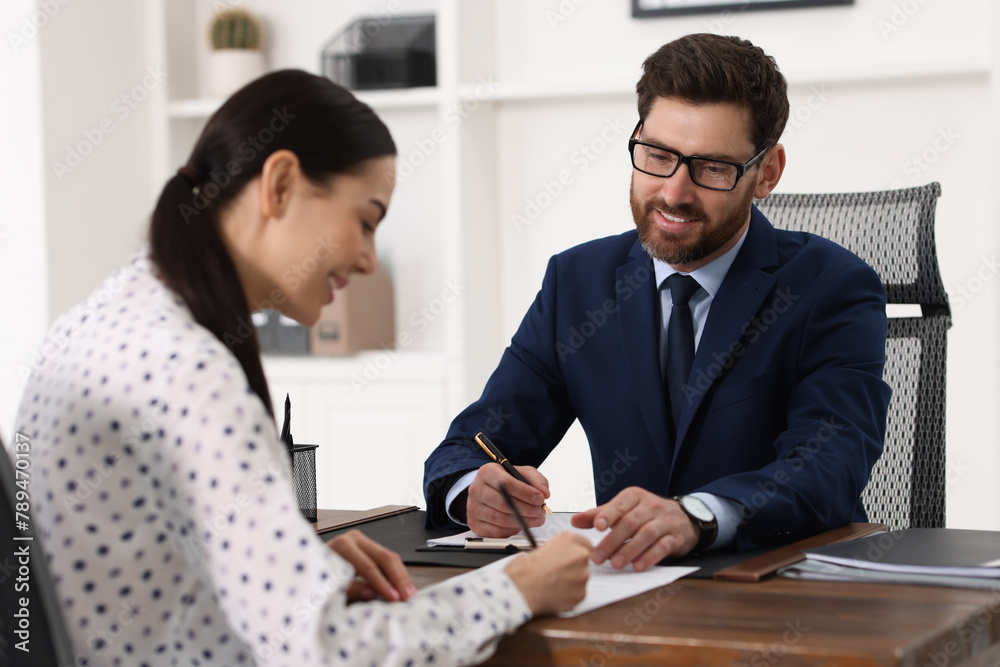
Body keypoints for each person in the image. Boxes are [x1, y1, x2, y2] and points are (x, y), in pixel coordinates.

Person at [11, 69, 591, 667]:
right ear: (281, 183)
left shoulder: (98, 322)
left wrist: (297, 566)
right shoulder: (189, 369)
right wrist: (515, 589)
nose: (368, 259)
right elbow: (324, 651)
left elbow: (126, 569)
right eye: (365, 221)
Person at [423, 33, 892, 571]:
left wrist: (696, 516)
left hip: (780, 594)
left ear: (767, 172)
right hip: (622, 593)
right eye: (657, 156)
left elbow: (827, 466)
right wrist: (473, 490)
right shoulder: (577, 283)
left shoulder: (832, 287)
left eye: (713, 167)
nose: (673, 192)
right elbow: (472, 444)